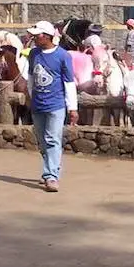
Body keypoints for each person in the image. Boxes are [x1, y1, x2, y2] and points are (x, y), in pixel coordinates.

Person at [26, 21, 78, 193]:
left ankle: (51, 176)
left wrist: (73, 108)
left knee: (52, 139)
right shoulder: (33, 54)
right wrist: (30, 97)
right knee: (42, 141)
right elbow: (31, 77)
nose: (34, 38)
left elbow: (69, 83)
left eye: (37, 35)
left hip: (56, 104)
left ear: (47, 36)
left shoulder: (63, 56)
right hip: (38, 104)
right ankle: (50, 167)